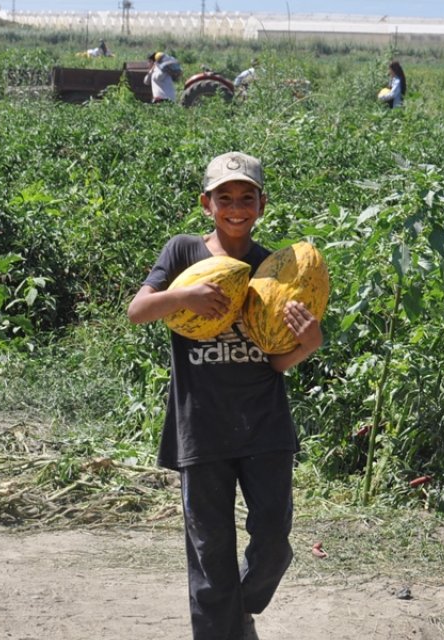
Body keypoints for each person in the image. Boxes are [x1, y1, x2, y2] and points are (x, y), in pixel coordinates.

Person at [127, 151, 323, 640]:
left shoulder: (275, 266)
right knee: (210, 553)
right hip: (202, 427)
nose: (236, 207)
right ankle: (222, 625)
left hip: (265, 425)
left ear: (262, 204)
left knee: (274, 540)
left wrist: (308, 345)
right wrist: (182, 297)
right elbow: (138, 311)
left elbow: (277, 360)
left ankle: (241, 608)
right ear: (206, 203)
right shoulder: (183, 253)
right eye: (224, 198)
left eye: (247, 197)